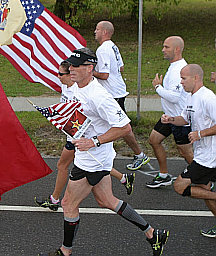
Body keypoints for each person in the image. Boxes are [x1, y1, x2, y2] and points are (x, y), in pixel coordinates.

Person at [38, 48, 168, 256]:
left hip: (93, 160)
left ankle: (65, 251)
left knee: (68, 204)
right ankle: (153, 234)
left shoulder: (99, 95)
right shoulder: (79, 87)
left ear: (90, 69)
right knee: (107, 201)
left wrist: (93, 141)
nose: (71, 69)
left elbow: (124, 127)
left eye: (76, 66)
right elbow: (82, 116)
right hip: (92, 156)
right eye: (70, 65)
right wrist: (61, 120)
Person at [35, 61, 135, 211]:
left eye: (61, 74)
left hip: (82, 138)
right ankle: (123, 178)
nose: (58, 77)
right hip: (76, 137)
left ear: (70, 75)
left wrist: (94, 140)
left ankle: (54, 200)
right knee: (105, 198)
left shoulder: (82, 89)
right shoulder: (67, 87)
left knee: (63, 165)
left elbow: (123, 127)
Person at [161, 64, 216, 237]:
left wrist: (200, 133)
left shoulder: (208, 98)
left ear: (196, 78)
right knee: (204, 190)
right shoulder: (191, 97)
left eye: (184, 78)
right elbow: (185, 118)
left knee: (179, 186)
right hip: (201, 153)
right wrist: (171, 119)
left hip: (209, 156)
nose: (181, 82)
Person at [93, 21, 150, 170]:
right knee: (113, 125)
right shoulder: (113, 46)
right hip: (116, 91)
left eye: (97, 29)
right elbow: (121, 67)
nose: (95, 31)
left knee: (123, 127)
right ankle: (104, 152)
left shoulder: (103, 49)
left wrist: (89, 71)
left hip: (112, 94)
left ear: (105, 32)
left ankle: (139, 155)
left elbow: (104, 75)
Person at [143, 36, 194, 188]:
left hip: (179, 118)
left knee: (186, 153)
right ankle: (164, 175)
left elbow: (175, 97)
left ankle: (206, 179)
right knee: (154, 140)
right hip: (168, 116)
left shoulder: (179, 69)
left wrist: (158, 87)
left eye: (167, 47)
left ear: (177, 49)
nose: (163, 50)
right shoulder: (174, 67)